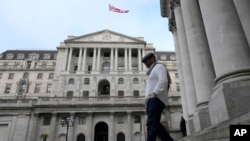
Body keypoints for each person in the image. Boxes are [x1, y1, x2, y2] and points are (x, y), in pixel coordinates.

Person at [142, 53, 174, 141]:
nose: (146, 64)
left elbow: (163, 80)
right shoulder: (153, 70)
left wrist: (155, 93)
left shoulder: (158, 66)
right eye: (144, 63)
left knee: (151, 123)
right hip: (153, 100)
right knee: (156, 125)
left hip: (156, 99)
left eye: (147, 61)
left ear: (153, 59)